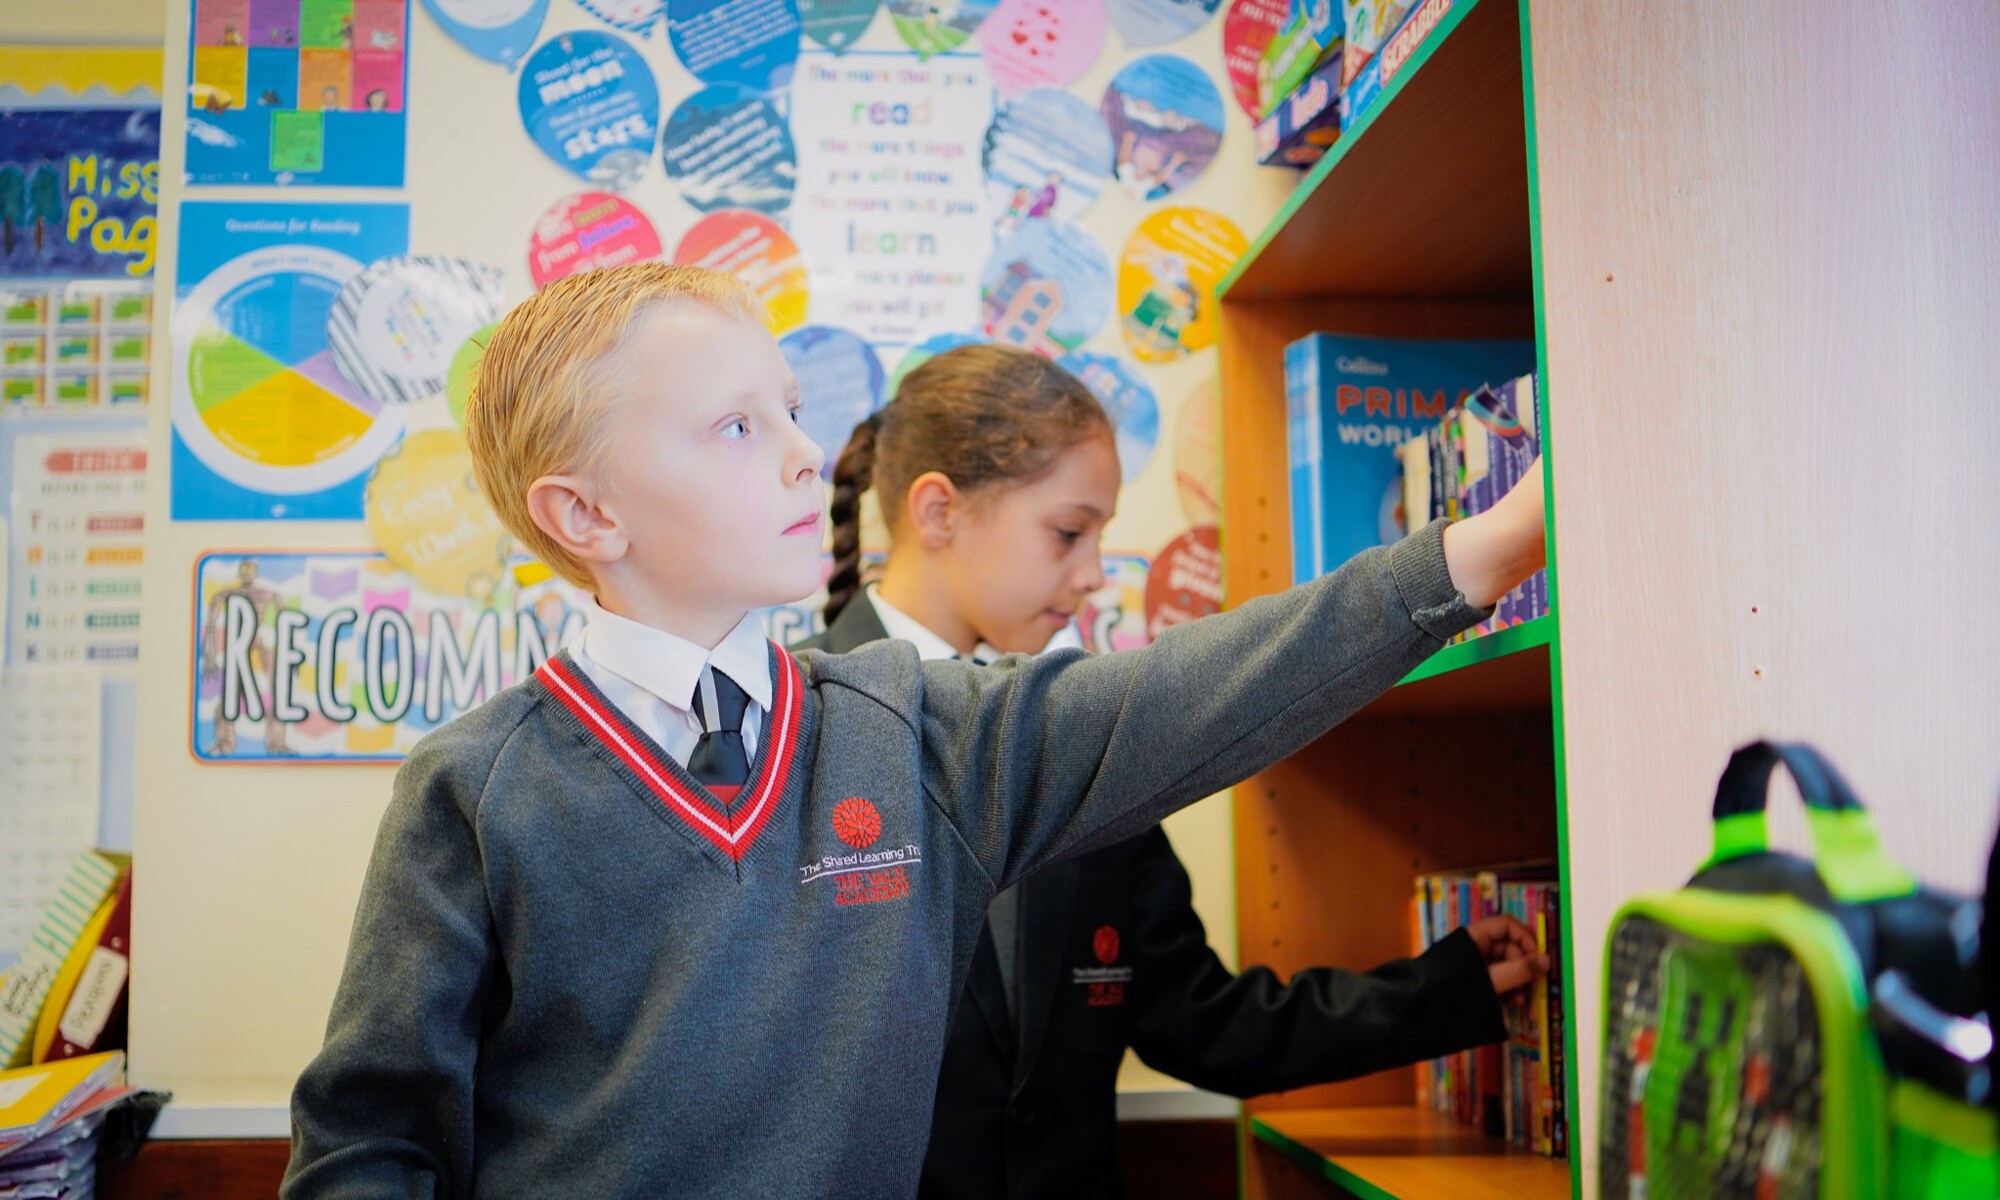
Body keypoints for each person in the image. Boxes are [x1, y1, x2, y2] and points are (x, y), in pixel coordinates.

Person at [282, 264, 1548, 1199]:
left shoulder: (915, 730)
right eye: (737, 428)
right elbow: (369, 1143)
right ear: (587, 514)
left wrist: (1480, 550)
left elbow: (1185, 695)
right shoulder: (474, 791)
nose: (801, 455)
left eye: (789, 410)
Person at [801, 345, 1546, 1199]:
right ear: (938, 511)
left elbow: (1205, 1024)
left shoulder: (1082, 738)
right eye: (1069, 532)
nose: (1090, 577)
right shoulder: (792, 727)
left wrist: (1443, 991)